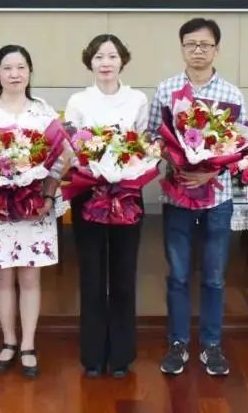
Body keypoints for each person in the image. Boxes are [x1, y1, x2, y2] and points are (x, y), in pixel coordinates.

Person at [150, 18, 246, 377]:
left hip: (217, 198)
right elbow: (153, 137)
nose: (198, 50)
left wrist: (210, 171)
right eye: (191, 44)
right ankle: (177, 343)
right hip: (177, 197)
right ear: (182, 48)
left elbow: (241, 148)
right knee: (177, 274)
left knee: (214, 275)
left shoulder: (232, 94)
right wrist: (175, 158)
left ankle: (211, 344)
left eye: (205, 44)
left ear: (216, 50)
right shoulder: (166, 89)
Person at [0, 45, 64, 379]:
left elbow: (58, 161)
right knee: (2, 276)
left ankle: (28, 344)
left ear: (30, 72)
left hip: (34, 206)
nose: (14, 74)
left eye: (21, 67)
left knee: (30, 276)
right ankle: (8, 340)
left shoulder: (42, 112)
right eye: (7, 68)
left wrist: (47, 198)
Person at [64, 34, 149, 379]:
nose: (106, 62)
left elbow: (144, 147)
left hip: (127, 194)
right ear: (90, 61)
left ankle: (121, 356)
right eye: (99, 56)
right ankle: (93, 355)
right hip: (89, 193)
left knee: (124, 274)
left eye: (112, 56)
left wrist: (127, 169)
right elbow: (71, 149)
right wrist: (93, 169)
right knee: (92, 274)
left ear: (122, 60)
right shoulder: (78, 101)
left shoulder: (138, 99)